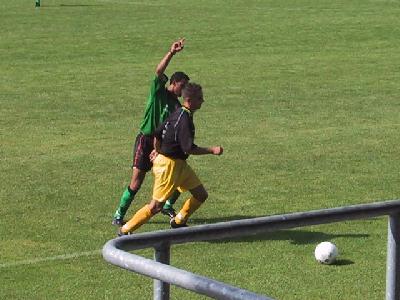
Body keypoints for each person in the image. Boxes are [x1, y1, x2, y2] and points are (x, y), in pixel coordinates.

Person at [119, 82, 223, 235]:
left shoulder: (179, 113)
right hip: (169, 166)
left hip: (179, 165)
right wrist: (212, 150)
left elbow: (158, 132)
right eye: (199, 98)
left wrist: (157, 150)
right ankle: (125, 230)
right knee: (155, 206)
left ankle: (179, 221)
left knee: (201, 194)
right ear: (189, 99)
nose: (202, 101)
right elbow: (189, 148)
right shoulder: (184, 120)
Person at [112, 39, 189, 226]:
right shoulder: (158, 92)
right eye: (183, 85)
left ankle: (168, 205)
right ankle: (119, 214)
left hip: (161, 146)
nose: (185, 89)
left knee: (179, 174)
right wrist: (171, 52)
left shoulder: (177, 106)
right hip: (145, 141)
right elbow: (159, 71)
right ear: (175, 83)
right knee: (136, 182)